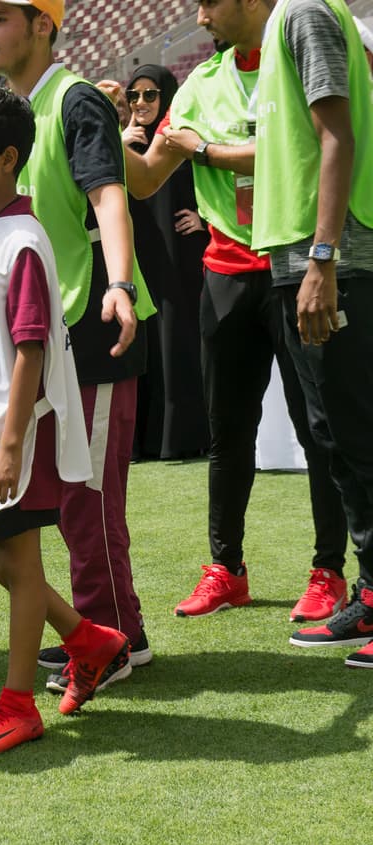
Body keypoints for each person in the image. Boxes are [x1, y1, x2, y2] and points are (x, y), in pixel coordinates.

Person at [123, 0, 350, 624]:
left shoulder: (294, 54)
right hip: (225, 276)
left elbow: (300, 151)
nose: (199, 17)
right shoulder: (201, 81)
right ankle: (227, 568)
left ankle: (328, 572)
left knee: (320, 431)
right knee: (227, 432)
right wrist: (108, 136)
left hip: (296, 267)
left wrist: (204, 149)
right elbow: (144, 181)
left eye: (209, 2)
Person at [0, 0, 156, 689]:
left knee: (88, 499)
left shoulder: (75, 101)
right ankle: (109, 632)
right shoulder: (12, 111)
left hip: (93, 330)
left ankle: (112, 643)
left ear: (43, 24)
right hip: (48, 338)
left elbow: (109, 199)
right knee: (62, 497)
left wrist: (120, 284)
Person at [0, 88, 131, 756]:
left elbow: (31, 349)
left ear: (8, 158)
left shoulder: (22, 240)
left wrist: (12, 444)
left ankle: (18, 704)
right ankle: (87, 636)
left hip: (19, 427)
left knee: (19, 560)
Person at [242, 0, 373, 668]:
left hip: (331, 260)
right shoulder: (307, 15)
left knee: (353, 433)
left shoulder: (305, 13)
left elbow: (337, 137)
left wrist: (322, 258)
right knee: (338, 434)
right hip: (313, 259)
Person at [121, 65, 210, 460]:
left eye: (150, 95)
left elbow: (221, 180)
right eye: (134, 96)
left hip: (178, 259)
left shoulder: (182, 139)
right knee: (141, 342)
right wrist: (119, 142)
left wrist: (203, 218)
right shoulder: (123, 145)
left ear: (167, 97)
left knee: (175, 341)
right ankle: (140, 441)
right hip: (136, 257)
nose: (141, 103)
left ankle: (180, 439)